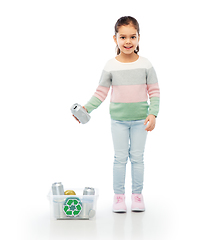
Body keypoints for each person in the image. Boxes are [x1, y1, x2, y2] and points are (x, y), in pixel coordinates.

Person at [75, 16, 160, 213]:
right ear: (115, 39)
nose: (128, 41)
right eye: (123, 37)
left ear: (139, 38)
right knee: (120, 158)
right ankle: (119, 197)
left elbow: (154, 91)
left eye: (132, 37)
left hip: (141, 120)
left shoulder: (146, 64)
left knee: (137, 158)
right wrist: (85, 109)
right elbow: (101, 93)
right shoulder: (110, 66)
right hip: (118, 121)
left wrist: (153, 114)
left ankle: (137, 196)